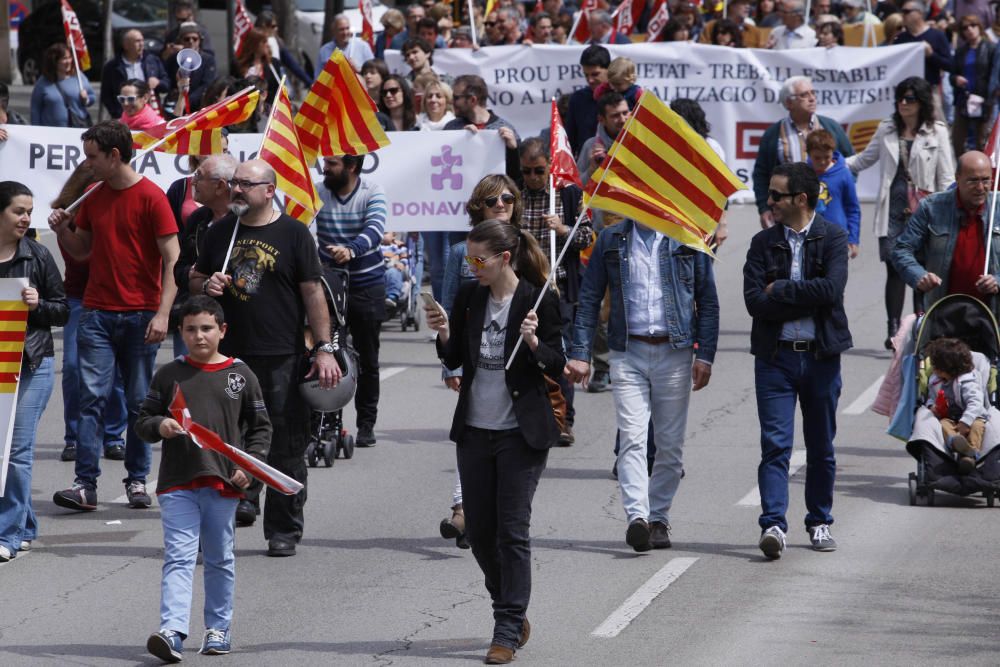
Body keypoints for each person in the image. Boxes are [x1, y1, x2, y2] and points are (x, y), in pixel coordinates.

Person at [425, 219, 563, 665]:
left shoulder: (539, 299)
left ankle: (505, 625)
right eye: (469, 260)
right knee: (480, 534)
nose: (472, 268)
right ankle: (511, 605)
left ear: (504, 258)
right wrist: (444, 331)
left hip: (521, 433)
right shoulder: (470, 297)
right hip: (475, 431)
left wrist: (535, 342)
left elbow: (558, 365)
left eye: (479, 260)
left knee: (511, 531)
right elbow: (455, 360)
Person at [190, 159, 338, 557]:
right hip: (228, 358)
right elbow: (194, 277)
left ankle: (284, 529)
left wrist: (324, 349)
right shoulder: (220, 231)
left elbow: (312, 293)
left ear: (269, 190)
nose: (237, 190)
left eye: (246, 184)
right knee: (224, 444)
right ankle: (220, 530)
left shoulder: (293, 234)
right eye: (234, 183)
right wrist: (207, 282)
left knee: (285, 446)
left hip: (282, 357)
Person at [566, 207, 719, 552]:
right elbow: (589, 298)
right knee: (633, 437)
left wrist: (705, 354)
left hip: (674, 352)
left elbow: (707, 300)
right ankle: (637, 517)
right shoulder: (611, 238)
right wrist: (580, 352)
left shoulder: (687, 238)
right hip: (628, 351)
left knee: (669, 444)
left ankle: (659, 518)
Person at [48, 120, 180, 513]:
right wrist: (62, 230)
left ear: (115, 155)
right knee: (91, 399)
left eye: (92, 157)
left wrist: (163, 314)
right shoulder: (94, 196)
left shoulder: (152, 197)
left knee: (140, 401)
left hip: (141, 316)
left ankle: (137, 480)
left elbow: (173, 260)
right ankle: (84, 484)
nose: (86, 164)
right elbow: (83, 249)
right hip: (97, 314)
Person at [136, 296, 271, 662]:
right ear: (180, 332)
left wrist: (251, 467)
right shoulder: (169, 374)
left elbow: (260, 429)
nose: (199, 336)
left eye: (207, 328)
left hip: (222, 483)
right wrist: (159, 424)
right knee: (179, 557)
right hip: (178, 482)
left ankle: (217, 628)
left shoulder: (240, 375)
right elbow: (143, 420)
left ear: (222, 331)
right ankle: (173, 631)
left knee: (219, 558)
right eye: (191, 329)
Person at [743, 162, 852, 559]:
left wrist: (783, 290)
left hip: (821, 357)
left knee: (821, 446)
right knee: (775, 445)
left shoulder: (832, 237)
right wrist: (800, 296)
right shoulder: (761, 243)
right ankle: (773, 523)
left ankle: (819, 521)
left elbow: (831, 289)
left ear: (800, 199)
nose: (769, 201)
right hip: (775, 359)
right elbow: (755, 302)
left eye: (776, 195)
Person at [847, 77, 954, 347]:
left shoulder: (936, 131)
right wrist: (826, 166)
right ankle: (894, 329)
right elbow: (862, 160)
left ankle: (919, 325)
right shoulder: (887, 129)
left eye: (909, 98)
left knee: (921, 272)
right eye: (900, 98)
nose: (903, 103)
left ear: (922, 102)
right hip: (893, 211)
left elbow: (946, 176)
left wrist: (947, 213)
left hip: (925, 212)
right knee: (894, 270)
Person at [0, 182, 69, 563]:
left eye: (29, 211)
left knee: (16, 452)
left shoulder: (37, 255)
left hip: (30, 366)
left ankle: (7, 534)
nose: (26, 218)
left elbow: (62, 310)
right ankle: (25, 525)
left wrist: (38, 305)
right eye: (18, 211)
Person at [517, 138, 593, 445]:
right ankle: (527, 416)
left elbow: (587, 236)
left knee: (558, 356)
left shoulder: (569, 194)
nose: (533, 178)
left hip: (558, 288)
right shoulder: (515, 198)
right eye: (527, 171)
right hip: (524, 287)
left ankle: (564, 419)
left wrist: (563, 230)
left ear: (550, 165)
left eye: (538, 170)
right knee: (525, 353)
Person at [50, 166, 128, 464]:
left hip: (115, 299)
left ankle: (113, 436)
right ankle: (73, 437)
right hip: (80, 298)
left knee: (117, 373)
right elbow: (80, 259)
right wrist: (68, 229)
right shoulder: (67, 217)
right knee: (72, 368)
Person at [315, 155, 388, 448]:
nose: (325, 168)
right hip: (327, 285)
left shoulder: (372, 191)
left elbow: (375, 229)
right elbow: (297, 221)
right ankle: (326, 422)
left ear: (351, 167)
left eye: (332, 163)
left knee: (368, 359)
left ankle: (366, 423)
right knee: (324, 351)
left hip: (366, 284)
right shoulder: (317, 191)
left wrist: (352, 249)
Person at [892, 151, 1000, 316]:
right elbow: (902, 249)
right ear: (957, 178)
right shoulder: (931, 207)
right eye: (973, 180)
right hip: (943, 315)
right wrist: (919, 276)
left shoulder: (997, 207)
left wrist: (997, 280)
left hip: (992, 316)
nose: (980, 187)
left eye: (985, 180)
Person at [753, 76, 854, 230]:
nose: (812, 98)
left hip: (827, 211)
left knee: (826, 252)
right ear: (789, 103)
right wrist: (764, 208)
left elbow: (850, 162)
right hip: (788, 213)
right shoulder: (774, 134)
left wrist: (841, 191)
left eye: (813, 93)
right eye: (804, 95)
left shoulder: (830, 127)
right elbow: (761, 174)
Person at [924, 337, 989, 474]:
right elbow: (931, 398)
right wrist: (931, 406)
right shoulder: (935, 381)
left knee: (977, 427)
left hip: (973, 417)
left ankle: (971, 454)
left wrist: (965, 422)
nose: (933, 368)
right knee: (943, 424)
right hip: (950, 417)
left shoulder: (967, 382)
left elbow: (976, 403)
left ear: (948, 367)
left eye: (936, 366)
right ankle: (956, 442)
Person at [444, 75, 521, 178]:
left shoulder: (506, 129)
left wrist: (513, 150)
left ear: (472, 100)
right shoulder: (451, 128)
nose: (451, 101)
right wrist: (460, 139)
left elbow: (517, 178)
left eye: (456, 97)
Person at [807, 129, 861, 259]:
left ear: (832, 152)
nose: (822, 162)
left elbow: (853, 209)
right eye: (817, 158)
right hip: (808, 239)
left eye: (827, 157)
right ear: (808, 154)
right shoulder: (803, 173)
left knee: (834, 278)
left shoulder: (843, 174)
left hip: (836, 239)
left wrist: (853, 239)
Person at [895, 1, 952, 118]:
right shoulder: (900, 39)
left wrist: (931, 55)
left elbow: (950, 65)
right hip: (906, 94)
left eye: (906, 12)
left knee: (935, 129)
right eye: (902, 12)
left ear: (919, 13)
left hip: (930, 92)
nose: (903, 15)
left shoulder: (937, 36)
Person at [951, 15, 995, 157]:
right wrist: (956, 79)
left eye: (973, 25)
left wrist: (991, 96)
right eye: (965, 28)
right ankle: (962, 170)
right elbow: (952, 75)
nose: (969, 30)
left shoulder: (990, 48)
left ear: (979, 27)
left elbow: (994, 75)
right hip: (964, 99)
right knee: (957, 139)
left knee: (983, 141)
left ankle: (982, 173)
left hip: (984, 100)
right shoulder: (960, 51)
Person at [101, 29, 170, 119]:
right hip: (124, 118)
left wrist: (158, 82)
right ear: (126, 45)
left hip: (150, 116)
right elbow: (106, 95)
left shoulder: (152, 61)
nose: (141, 44)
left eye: (142, 40)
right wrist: (116, 113)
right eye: (137, 41)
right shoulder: (113, 67)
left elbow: (167, 84)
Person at [30, 43, 95, 127]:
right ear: (54, 61)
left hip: (76, 129)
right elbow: (35, 108)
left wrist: (86, 99)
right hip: (51, 133)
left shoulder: (78, 76)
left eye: (69, 57)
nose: (68, 61)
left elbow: (92, 97)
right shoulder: (43, 82)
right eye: (64, 58)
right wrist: (36, 130)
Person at [564, 45, 610, 157]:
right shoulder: (577, 99)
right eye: (586, 75)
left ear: (609, 69)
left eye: (595, 74)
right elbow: (570, 142)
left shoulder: (625, 95)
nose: (590, 80)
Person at [164, 23, 218, 113]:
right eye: (186, 39)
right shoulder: (174, 58)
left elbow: (207, 84)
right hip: (177, 105)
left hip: (199, 106)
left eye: (195, 39)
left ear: (200, 40)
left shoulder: (208, 59)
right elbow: (167, 79)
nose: (191, 41)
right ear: (180, 41)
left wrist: (188, 100)